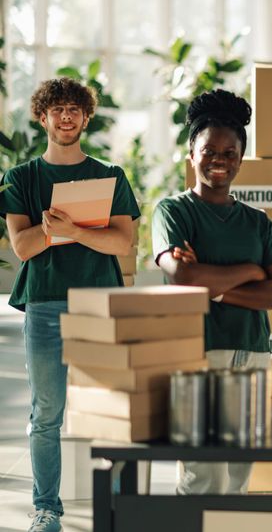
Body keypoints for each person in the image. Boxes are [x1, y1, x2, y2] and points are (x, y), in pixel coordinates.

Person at [0, 77, 140, 532]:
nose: (66, 116)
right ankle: (47, 509)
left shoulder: (110, 176)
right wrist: (50, 230)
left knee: (112, 409)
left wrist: (75, 232)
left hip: (99, 302)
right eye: (56, 109)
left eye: (74, 109)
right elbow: (21, 247)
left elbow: (122, 242)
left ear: (86, 116)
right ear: (42, 117)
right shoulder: (21, 178)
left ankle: (119, 506)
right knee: (47, 414)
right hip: (44, 306)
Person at [152, 89, 272, 494]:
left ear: (240, 160)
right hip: (197, 349)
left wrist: (213, 287)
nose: (219, 160)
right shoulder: (173, 212)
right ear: (191, 154)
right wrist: (249, 271)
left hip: (252, 350)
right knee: (199, 473)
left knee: (238, 474)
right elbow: (183, 278)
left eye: (230, 153)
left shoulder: (258, 222)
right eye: (209, 150)